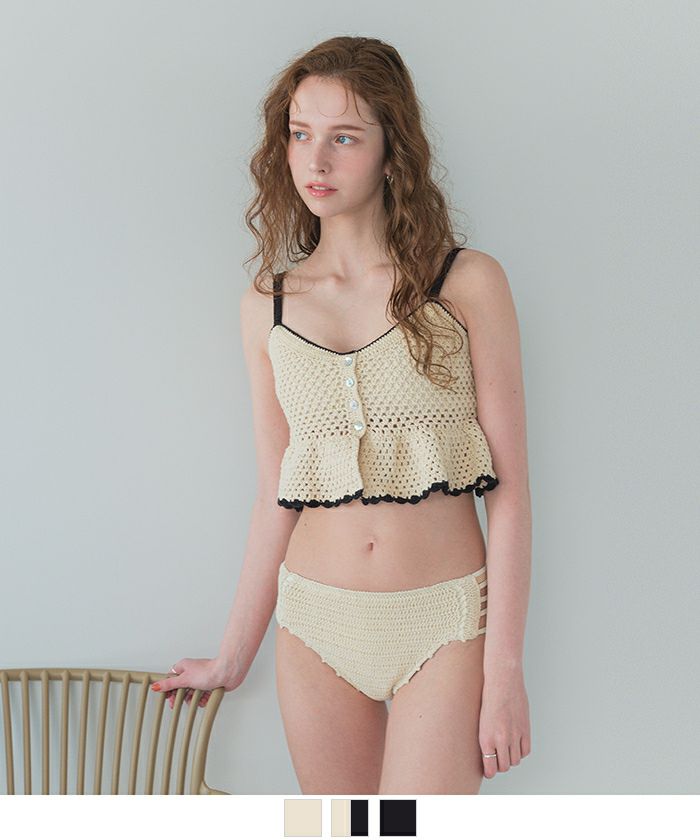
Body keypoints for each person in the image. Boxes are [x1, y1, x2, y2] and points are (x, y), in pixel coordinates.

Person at [151, 35, 532, 795]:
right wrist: (233, 656)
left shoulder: (467, 282)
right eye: (300, 134)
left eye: (345, 137)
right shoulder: (268, 304)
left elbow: (512, 493)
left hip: (445, 623)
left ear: (393, 151)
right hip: (314, 623)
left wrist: (505, 675)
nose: (315, 161)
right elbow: (274, 495)